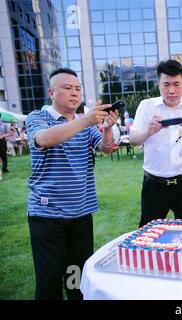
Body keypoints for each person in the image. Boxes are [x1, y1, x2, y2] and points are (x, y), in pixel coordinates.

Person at [25, 67, 118, 300]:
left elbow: (107, 148)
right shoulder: (38, 117)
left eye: (77, 89)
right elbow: (44, 139)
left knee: (76, 278)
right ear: (51, 92)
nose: (74, 93)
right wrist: (86, 120)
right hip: (47, 215)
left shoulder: (83, 123)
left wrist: (107, 128)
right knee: (49, 280)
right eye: (67, 88)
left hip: (81, 214)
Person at [129, 59, 182, 227]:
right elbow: (133, 140)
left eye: (176, 84)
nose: (171, 90)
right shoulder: (146, 106)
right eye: (166, 84)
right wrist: (148, 132)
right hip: (154, 184)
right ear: (159, 84)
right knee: (148, 235)